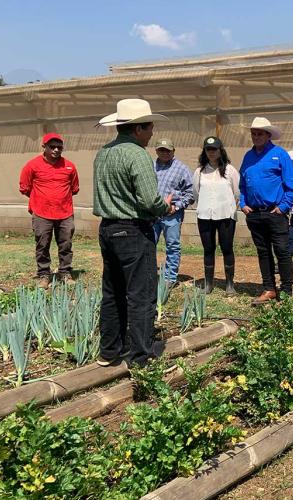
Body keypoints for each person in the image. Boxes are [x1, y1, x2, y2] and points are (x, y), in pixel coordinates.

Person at [93, 98, 174, 368]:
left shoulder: (104, 152)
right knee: (141, 294)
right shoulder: (137, 155)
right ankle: (141, 358)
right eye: (150, 127)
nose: (152, 133)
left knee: (113, 291)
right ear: (138, 129)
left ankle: (109, 351)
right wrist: (166, 206)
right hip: (132, 231)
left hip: (108, 228)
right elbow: (150, 201)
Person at [239, 117, 293, 305]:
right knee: (263, 252)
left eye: (259, 133)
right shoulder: (248, 157)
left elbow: (292, 184)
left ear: (268, 135)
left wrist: (283, 207)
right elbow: (242, 185)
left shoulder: (279, 154)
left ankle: (286, 290)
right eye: (253, 133)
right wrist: (242, 203)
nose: (256, 136)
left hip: (275, 212)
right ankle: (269, 288)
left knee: (282, 251)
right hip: (254, 213)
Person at [18, 133, 80, 289]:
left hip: (65, 213)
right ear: (44, 147)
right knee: (42, 244)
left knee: (66, 244)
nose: (56, 150)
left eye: (59, 147)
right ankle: (44, 275)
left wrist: (59, 198)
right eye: (52, 147)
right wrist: (41, 199)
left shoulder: (69, 166)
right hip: (41, 213)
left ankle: (65, 272)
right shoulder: (32, 165)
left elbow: (74, 188)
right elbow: (24, 187)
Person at [193, 136, 240, 295]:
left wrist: (228, 205)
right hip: (205, 215)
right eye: (208, 149)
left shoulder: (230, 170)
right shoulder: (199, 171)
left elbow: (236, 192)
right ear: (204, 151)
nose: (211, 152)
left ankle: (229, 284)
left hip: (226, 215)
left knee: (227, 248)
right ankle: (208, 283)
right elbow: (196, 192)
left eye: (214, 149)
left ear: (221, 150)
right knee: (208, 249)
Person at [153, 138, 194, 288]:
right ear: (156, 150)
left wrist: (176, 207)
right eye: (161, 150)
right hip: (152, 215)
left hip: (172, 215)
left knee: (172, 246)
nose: (164, 153)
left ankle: (170, 277)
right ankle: (149, 274)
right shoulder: (150, 166)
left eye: (167, 150)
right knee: (149, 245)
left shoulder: (182, 169)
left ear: (173, 151)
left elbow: (190, 194)